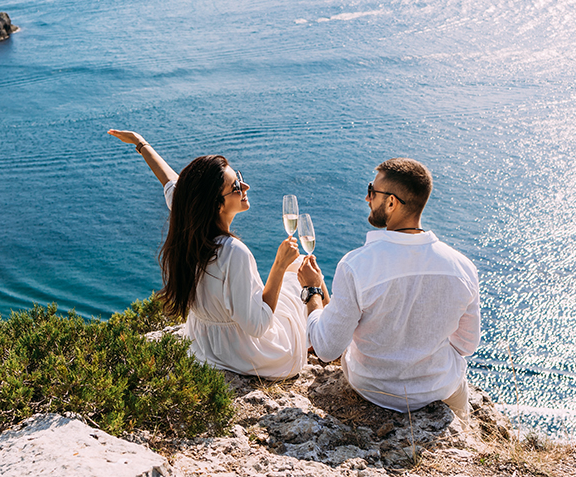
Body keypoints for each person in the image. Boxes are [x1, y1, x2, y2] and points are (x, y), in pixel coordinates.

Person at [108, 129, 315, 380]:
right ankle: (323, 343)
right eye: (236, 186)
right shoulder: (234, 253)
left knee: (298, 276)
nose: (245, 186)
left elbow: (172, 183)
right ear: (217, 204)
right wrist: (279, 266)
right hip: (250, 355)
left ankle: (320, 338)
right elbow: (258, 326)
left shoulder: (188, 220)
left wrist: (140, 143)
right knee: (306, 273)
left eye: (239, 178)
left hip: (204, 348)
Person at [297, 158, 480, 420]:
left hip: (372, 389)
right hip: (439, 389)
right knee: (467, 425)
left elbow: (326, 349)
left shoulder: (356, 265)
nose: (367, 198)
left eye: (372, 191)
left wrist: (313, 291)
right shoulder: (463, 267)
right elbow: (466, 344)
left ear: (391, 202)